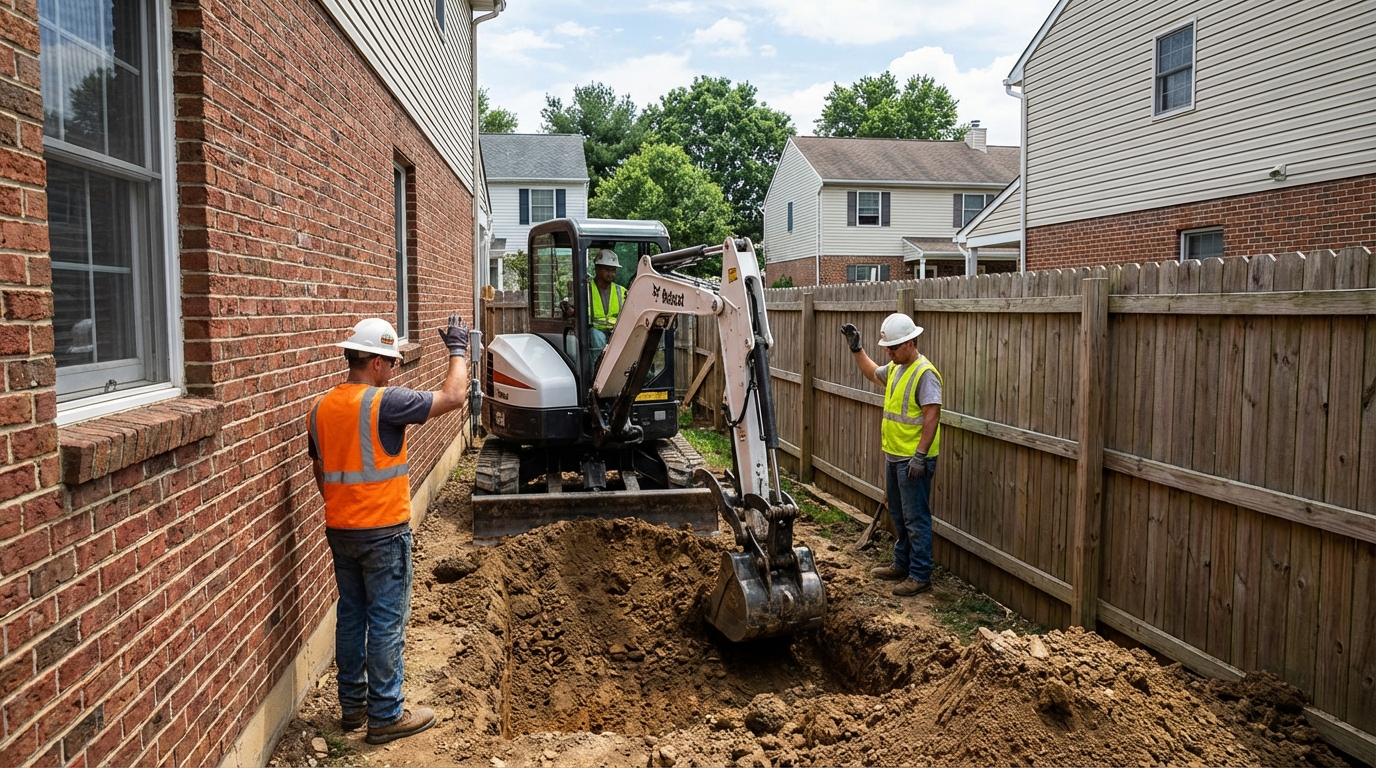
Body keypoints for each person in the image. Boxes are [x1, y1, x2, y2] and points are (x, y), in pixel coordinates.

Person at [308, 315, 470, 744]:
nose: (394, 371)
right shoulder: (385, 402)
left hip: (341, 530)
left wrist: (343, 508)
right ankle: (385, 714)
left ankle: (353, 706)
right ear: (378, 362)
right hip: (383, 532)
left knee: (351, 615)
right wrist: (458, 348)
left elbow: (321, 471)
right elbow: (454, 397)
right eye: (393, 363)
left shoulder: (320, 408)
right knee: (385, 621)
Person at [841, 313, 942, 597]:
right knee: (898, 514)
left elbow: (932, 415)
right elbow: (873, 372)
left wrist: (920, 455)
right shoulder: (897, 368)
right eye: (887, 348)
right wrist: (856, 349)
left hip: (913, 461)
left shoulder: (925, 373)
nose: (889, 352)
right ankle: (902, 564)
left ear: (910, 343)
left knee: (916, 517)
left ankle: (920, 575)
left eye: (893, 348)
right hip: (895, 456)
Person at [588, 248, 626, 358]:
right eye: (607, 270)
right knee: (596, 336)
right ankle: (597, 368)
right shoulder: (586, 290)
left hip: (615, 332)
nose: (611, 274)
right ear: (597, 269)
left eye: (613, 270)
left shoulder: (621, 291)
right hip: (594, 331)